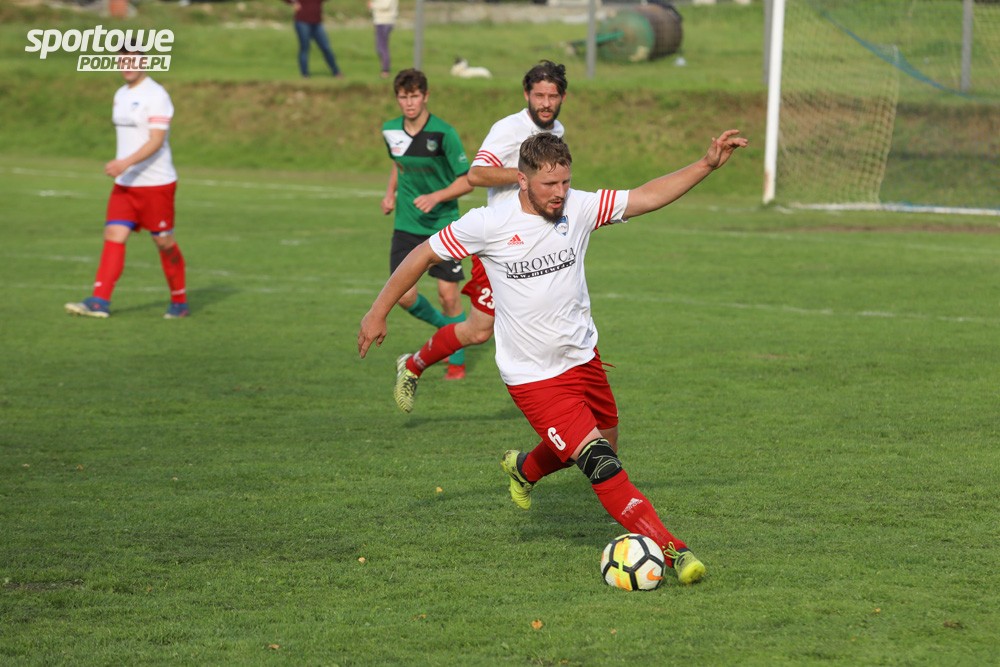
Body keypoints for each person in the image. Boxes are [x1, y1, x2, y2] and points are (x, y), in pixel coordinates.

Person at [359, 129, 749, 585]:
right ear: (523, 181)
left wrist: (705, 164)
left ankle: (525, 468)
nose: (560, 193)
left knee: (598, 447)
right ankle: (674, 551)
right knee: (602, 463)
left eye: (565, 182)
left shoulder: (578, 207)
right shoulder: (488, 223)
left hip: (584, 360)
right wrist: (377, 311)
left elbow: (644, 197)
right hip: (534, 377)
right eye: (549, 185)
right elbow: (422, 255)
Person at [392, 60, 568, 412]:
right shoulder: (508, 128)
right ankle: (413, 364)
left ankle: (563, 405)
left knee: (553, 319)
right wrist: (527, 175)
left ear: (563, 97)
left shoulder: (557, 131)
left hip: (537, 244)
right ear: (526, 94)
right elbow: (476, 175)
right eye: (539, 95)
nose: (546, 103)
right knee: (478, 331)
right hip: (502, 245)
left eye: (552, 96)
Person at [65, 52, 187, 319]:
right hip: (126, 184)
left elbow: (156, 140)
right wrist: (124, 168)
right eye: (122, 61)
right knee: (113, 234)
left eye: (133, 60)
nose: (127, 66)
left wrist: (125, 163)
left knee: (164, 242)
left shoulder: (156, 95)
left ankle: (179, 301)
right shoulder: (120, 95)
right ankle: (99, 301)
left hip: (156, 184)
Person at [380, 69, 473, 379]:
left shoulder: (444, 134)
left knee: (448, 296)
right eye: (403, 97)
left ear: (426, 96)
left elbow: (468, 180)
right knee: (404, 296)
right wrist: (390, 194)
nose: (409, 103)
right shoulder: (390, 130)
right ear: (397, 98)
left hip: (443, 224)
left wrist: (436, 197)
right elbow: (398, 164)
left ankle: (456, 361)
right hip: (406, 225)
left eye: (415, 96)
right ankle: (450, 331)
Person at [285, 0, 343, 78]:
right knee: (305, 48)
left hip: (317, 23)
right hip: (302, 21)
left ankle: (336, 72)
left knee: (326, 48)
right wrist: (293, 3)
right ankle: (305, 74)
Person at [368, 0, 398, 79]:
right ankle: (384, 68)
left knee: (382, 47)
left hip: (385, 22)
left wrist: (372, 5)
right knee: (379, 47)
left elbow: (386, 5)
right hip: (380, 22)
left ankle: (385, 70)